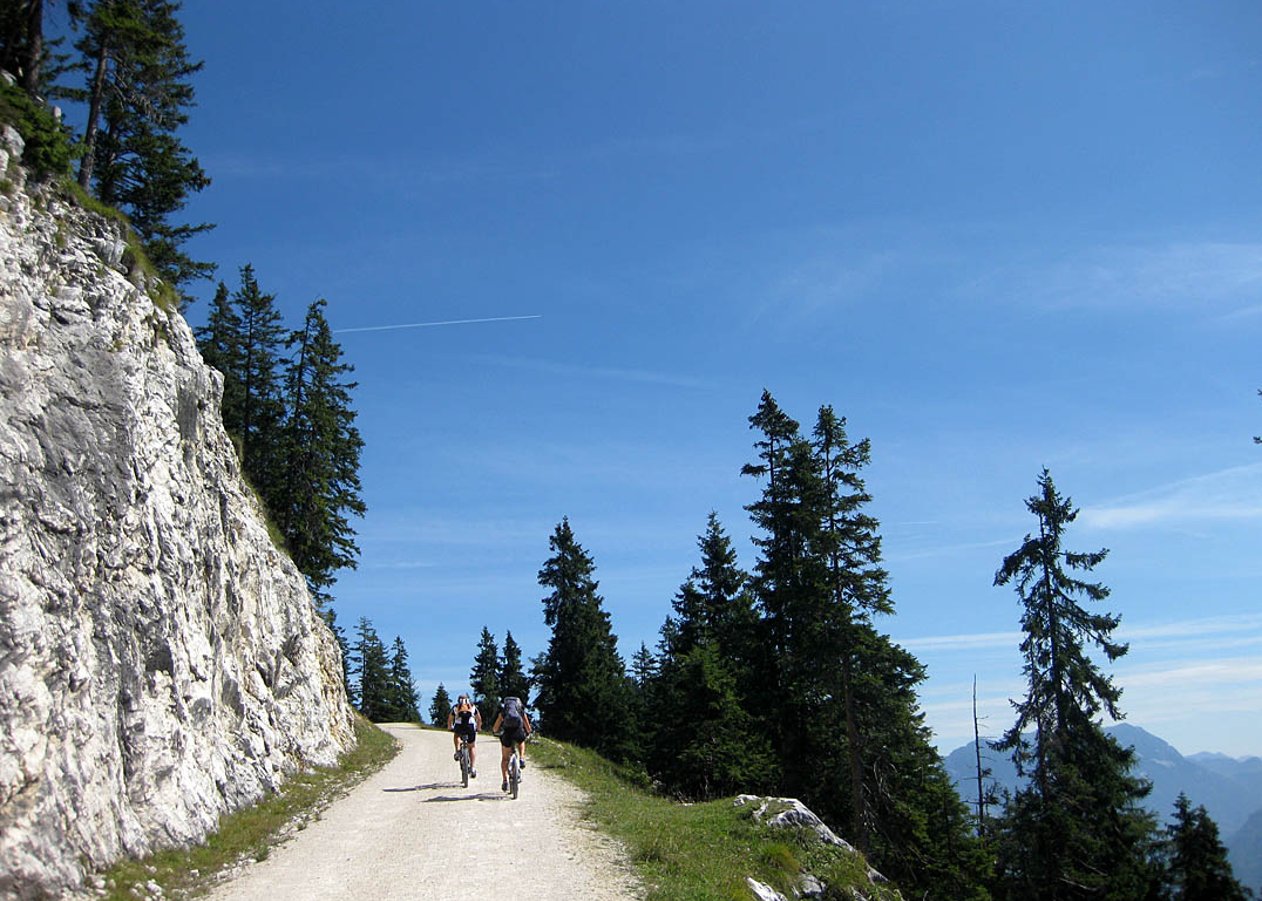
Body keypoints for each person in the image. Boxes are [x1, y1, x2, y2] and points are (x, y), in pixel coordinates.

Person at [491, 696, 532, 792]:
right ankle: (521, 758)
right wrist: (528, 731)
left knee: (505, 759)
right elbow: (526, 724)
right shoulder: (520, 709)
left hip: (507, 733)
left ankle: (505, 781)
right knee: (521, 741)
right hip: (518, 731)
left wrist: (495, 731)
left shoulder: (504, 711)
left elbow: (496, 726)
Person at [447, 694, 482, 778]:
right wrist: (478, 727)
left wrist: (449, 727)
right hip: (470, 727)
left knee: (457, 736)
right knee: (472, 747)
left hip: (459, 726)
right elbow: (479, 719)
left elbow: (450, 719)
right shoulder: (472, 707)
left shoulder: (456, 707)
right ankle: (473, 768)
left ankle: (458, 751)